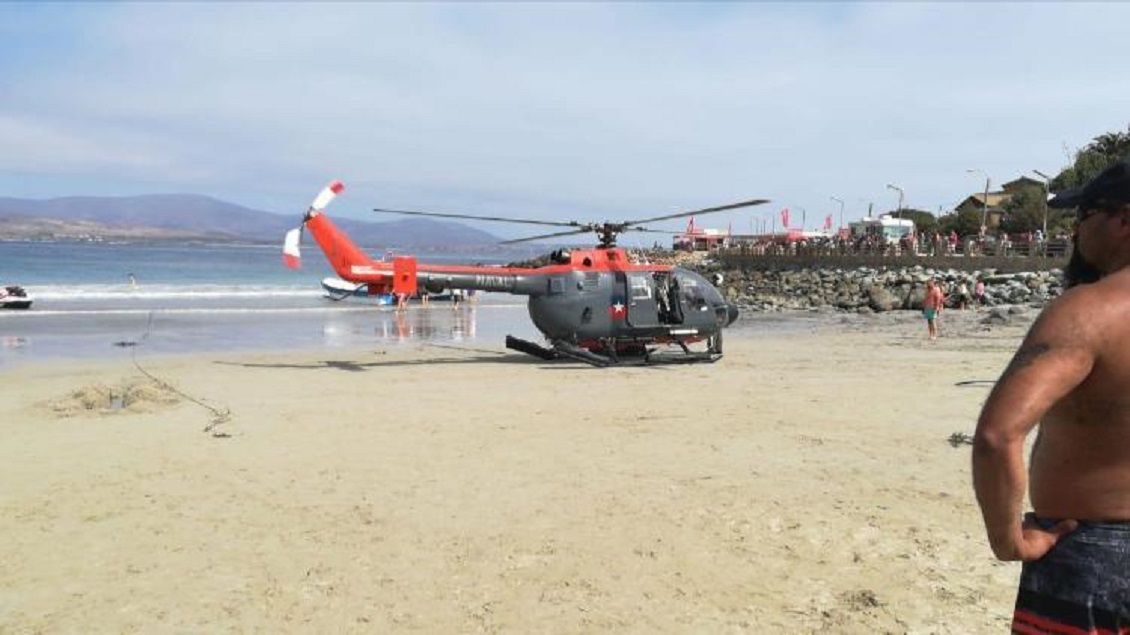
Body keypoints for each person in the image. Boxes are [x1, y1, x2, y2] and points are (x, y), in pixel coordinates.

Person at [973, 158, 1130, 633]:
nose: (1076, 229)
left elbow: (998, 436)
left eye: (1084, 215)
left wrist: (1009, 542)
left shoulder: (1091, 310)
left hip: (1095, 554)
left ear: (1124, 219)